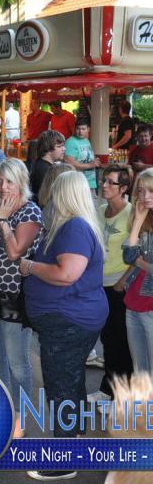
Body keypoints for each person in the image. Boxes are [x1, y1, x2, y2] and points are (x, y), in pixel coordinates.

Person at [20, 171, 107, 481]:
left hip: (69, 321)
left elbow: (66, 274)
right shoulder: (71, 225)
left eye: (55, 191)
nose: (50, 196)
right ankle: (74, 440)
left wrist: (31, 266)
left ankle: (65, 458)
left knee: (61, 388)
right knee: (70, 382)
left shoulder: (74, 227)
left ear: (64, 194)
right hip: (69, 319)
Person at [0, 158, 42, 439]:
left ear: (22, 182)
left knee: (17, 361)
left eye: (10, 181)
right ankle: (3, 410)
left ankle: (20, 415)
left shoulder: (30, 212)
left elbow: (15, 252)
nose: (3, 187)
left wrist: (3, 220)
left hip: (15, 295)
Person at [87, 165, 133, 404]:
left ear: (123, 188)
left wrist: (122, 282)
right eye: (103, 180)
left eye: (110, 182)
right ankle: (107, 389)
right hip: (99, 285)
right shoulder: (100, 210)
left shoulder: (132, 214)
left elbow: (139, 253)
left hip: (119, 286)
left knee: (121, 341)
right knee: (107, 339)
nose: (104, 185)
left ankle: (121, 395)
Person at [122, 168, 153, 374]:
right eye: (141, 191)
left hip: (150, 306)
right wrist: (139, 220)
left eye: (151, 191)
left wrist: (143, 264)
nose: (145, 196)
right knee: (140, 372)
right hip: (133, 302)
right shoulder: (143, 218)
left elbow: (136, 261)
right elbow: (128, 257)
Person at [64, 118, 100, 192]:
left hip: (90, 182)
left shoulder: (86, 140)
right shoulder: (70, 142)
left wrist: (95, 162)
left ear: (88, 129)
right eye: (78, 129)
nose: (80, 131)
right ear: (75, 129)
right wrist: (89, 165)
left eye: (83, 129)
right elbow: (69, 162)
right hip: (78, 183)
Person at [30, 130, 66, 201]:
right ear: (48, 149)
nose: (64, 149)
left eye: (63, 145)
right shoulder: (44, 170)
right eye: (59, 146)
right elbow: (46, 198)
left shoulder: (42, 165)